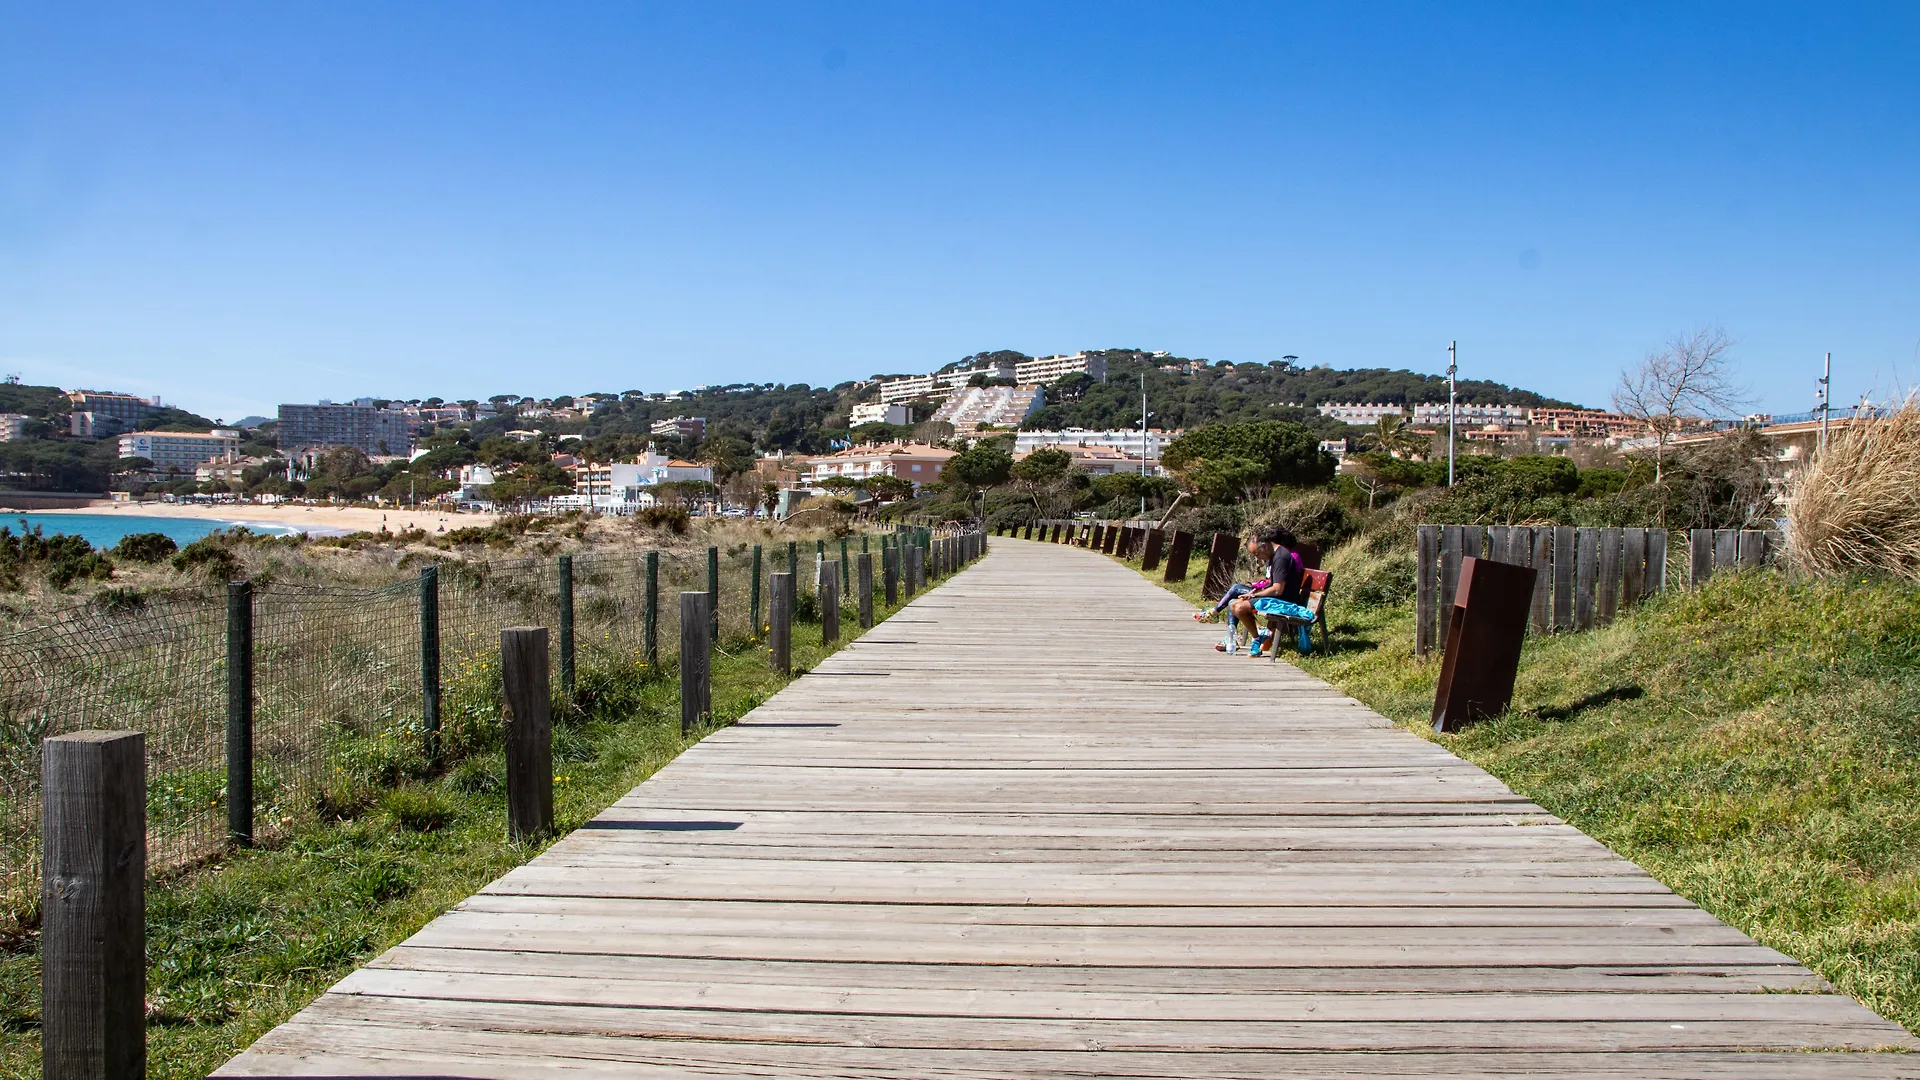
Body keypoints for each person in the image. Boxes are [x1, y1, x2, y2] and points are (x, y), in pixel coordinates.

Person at [1227, 529, 1308, 657]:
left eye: (1257, 554)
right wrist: (1257, 589)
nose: (1257, 558)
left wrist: (1254, 595)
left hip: (1284, 600)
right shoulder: (1274, 555)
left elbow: (1278, 589)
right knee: (1232, 604)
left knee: (1240, 607)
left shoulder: (1281, 558)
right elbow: (1272, 582)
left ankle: (1257, 639)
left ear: (1264, 546)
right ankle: (1258, 637)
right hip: (1276, 597)